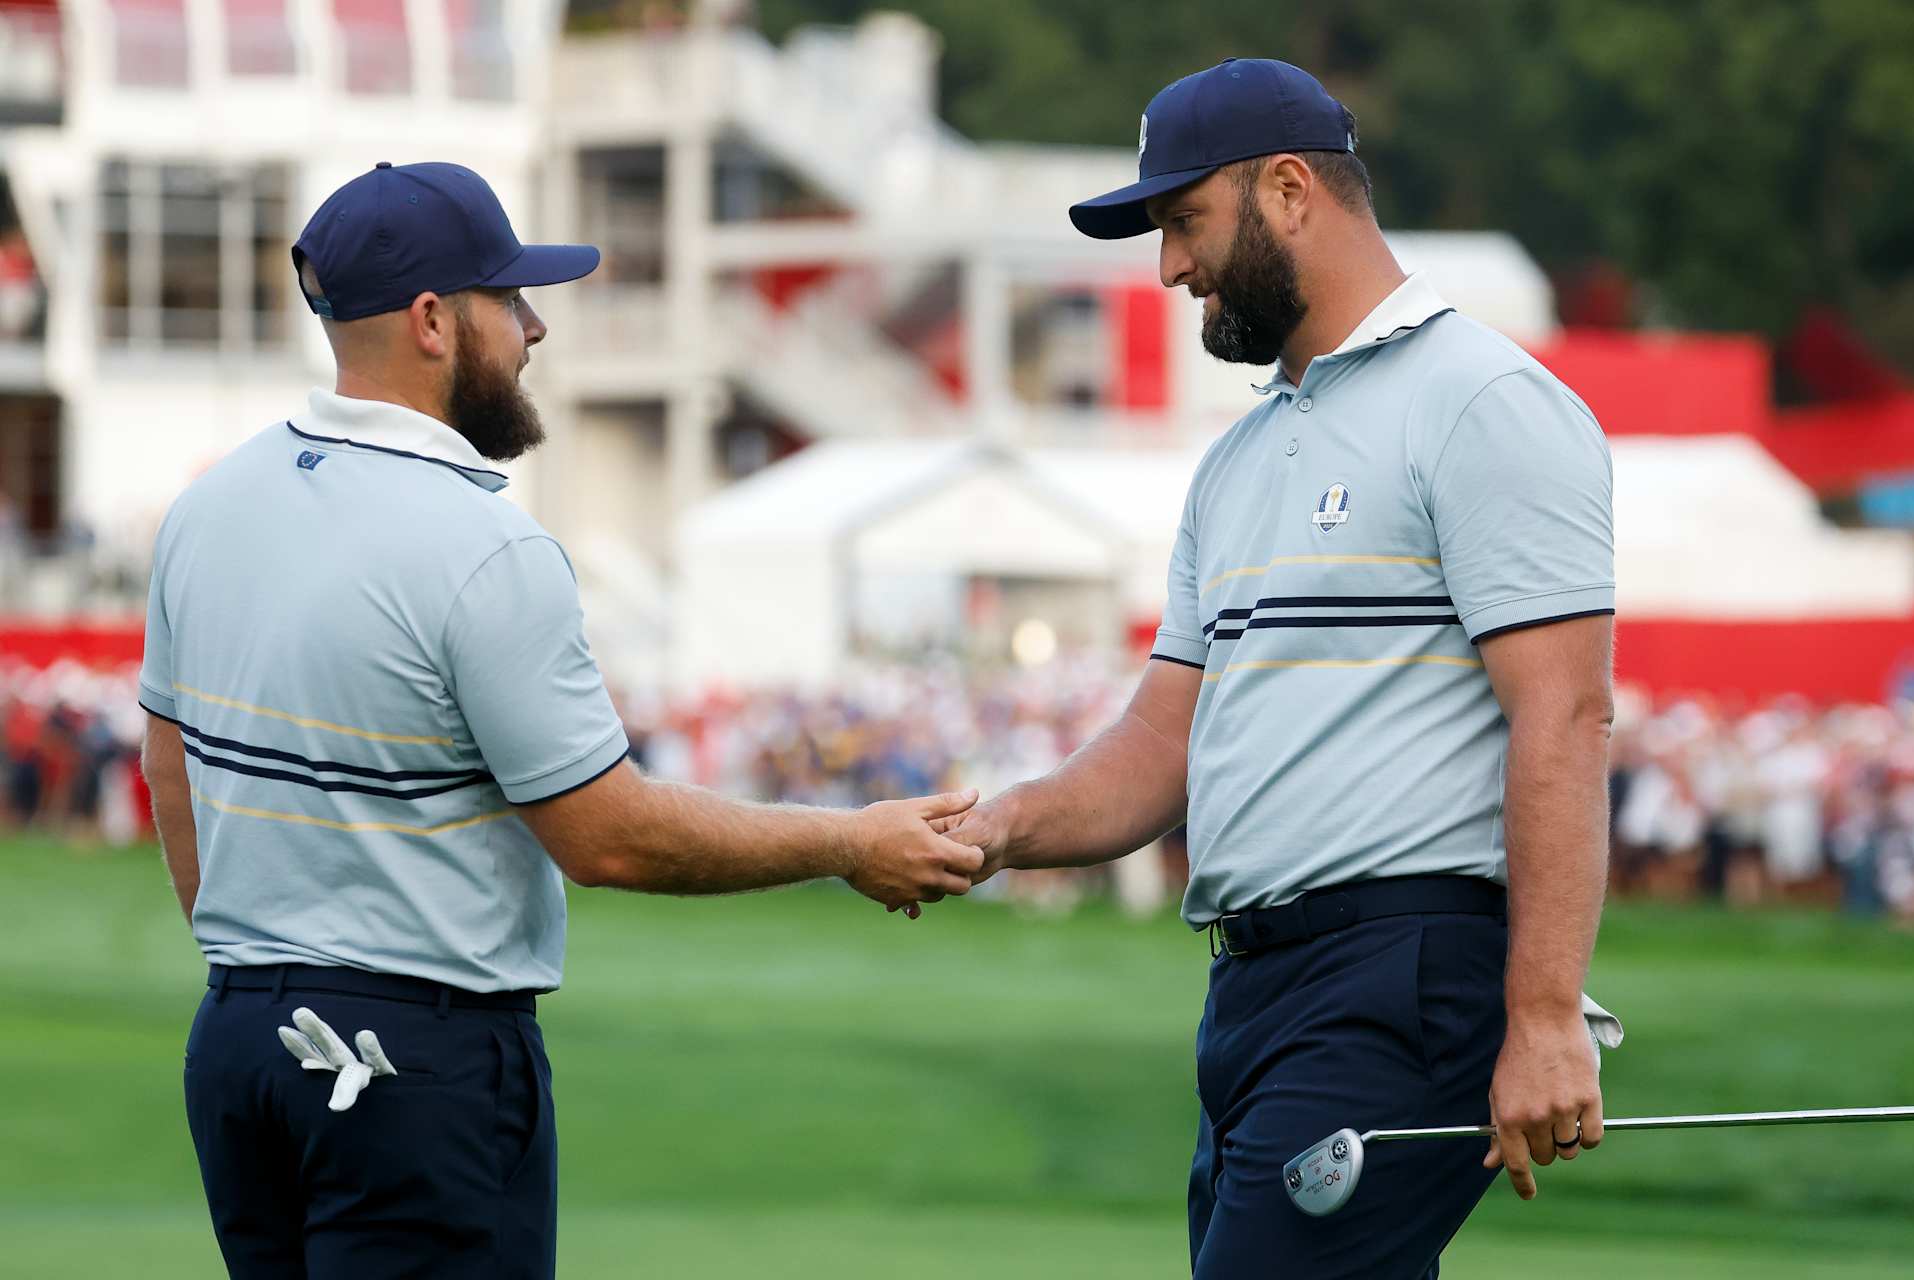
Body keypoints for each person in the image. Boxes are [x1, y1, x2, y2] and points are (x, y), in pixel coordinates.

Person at [137, 161, 982, 1280]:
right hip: (412, 1059)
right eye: (510, 300)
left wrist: (263, 958)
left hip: (241, 1044)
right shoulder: (486, 547)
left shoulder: (211, 503)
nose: (534, 327)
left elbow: (169, 763)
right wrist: (849, 841)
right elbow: (610, 835)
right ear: (435, 321)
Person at [945, 60, 1616, 1277]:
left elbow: (1563, 714)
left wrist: (1545, 1012)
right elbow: (1161, 745)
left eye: (1184, 221)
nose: (1168, 268)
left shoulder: (1483, 402)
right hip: (1256, 995)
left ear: (1290, 189)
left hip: (1403, 975)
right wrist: (996, 830)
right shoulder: (1241, 455)